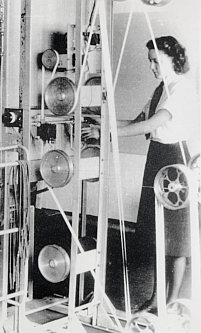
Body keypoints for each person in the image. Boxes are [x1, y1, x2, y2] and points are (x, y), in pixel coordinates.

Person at [83, 36, 197, 313]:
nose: (152, 67)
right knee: (157, 231)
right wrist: (99, 121)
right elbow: (135, 122)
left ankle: (171, 302)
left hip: (174, 161)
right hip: (156, 157)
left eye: (156, 61)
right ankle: (156, 298)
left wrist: (107, 134)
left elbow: (154, 123)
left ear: (173, 58)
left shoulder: (182, 88)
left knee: (175, 234)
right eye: (150, 62)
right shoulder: (161, 87)